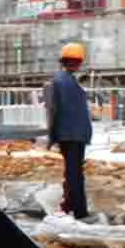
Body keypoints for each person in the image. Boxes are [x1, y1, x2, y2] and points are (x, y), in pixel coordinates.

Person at [42, 40, 92, 221]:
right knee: (75, 173)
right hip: (76, 135)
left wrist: (51, 137)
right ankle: (76, 209)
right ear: (78, 62)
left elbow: (52, 110)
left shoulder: (59, 82)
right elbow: (56, 109)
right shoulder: (68, 83)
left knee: (73, 173)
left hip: (69, 135)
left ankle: (74, 209)